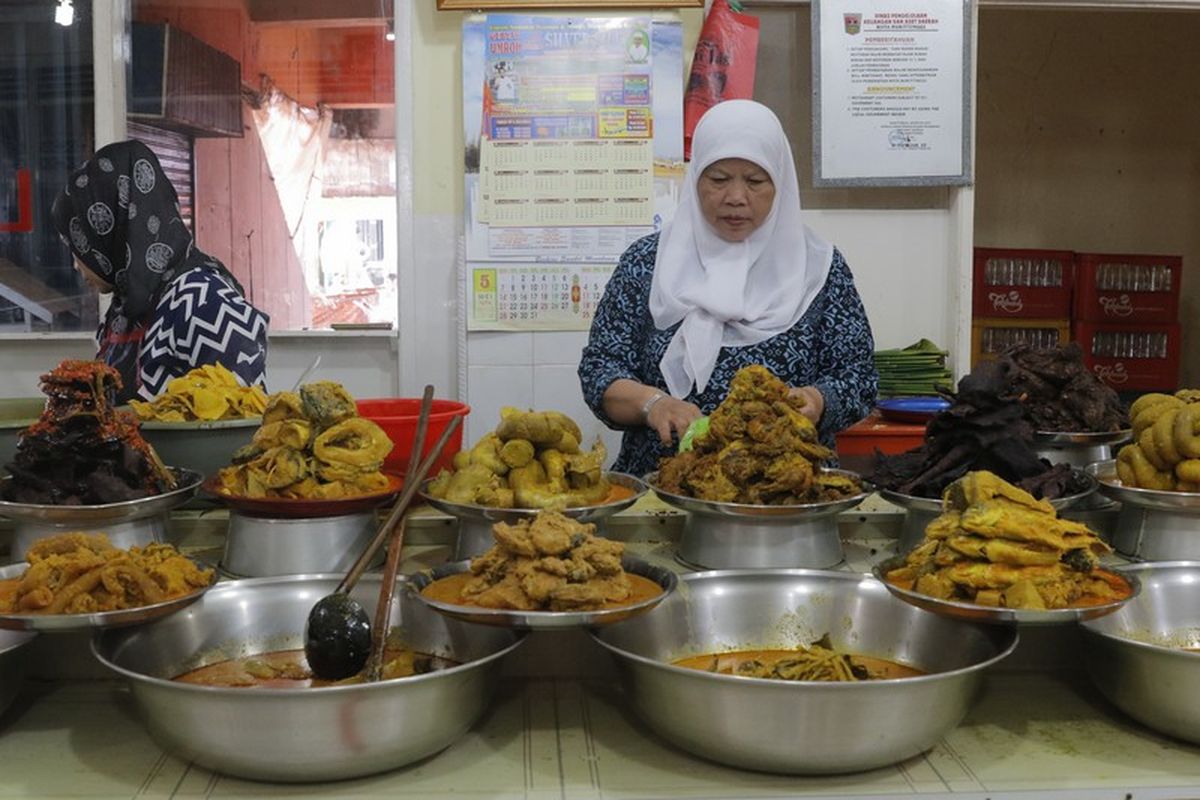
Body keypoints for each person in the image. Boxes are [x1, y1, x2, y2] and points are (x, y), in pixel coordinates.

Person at [578, 100, 877, 478]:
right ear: (696, 179)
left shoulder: (818, 269)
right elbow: (600, 370)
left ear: (780, 183)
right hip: (662, 489)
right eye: (718, 179)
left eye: (755, 181)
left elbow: (859, 377)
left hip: (785, 490)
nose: (736, 197)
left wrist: (816, 400)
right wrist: (653, 404)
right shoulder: (646, 263)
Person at [51, 140, 269, 404]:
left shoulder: (205, 302)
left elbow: (242, 420)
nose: (76, 263)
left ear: (107, 232)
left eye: (79, 245)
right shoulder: (127, 307)